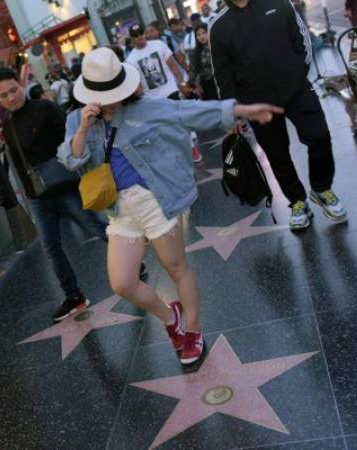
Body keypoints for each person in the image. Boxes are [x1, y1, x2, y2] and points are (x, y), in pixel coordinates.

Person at [58, 48, 281, 364]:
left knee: (176, 268)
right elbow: (70, 159)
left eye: (114, 90)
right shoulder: (76, 120)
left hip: (156, 201)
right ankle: (169, 317)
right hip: (120, 211)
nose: (110, 99)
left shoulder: (147, 108)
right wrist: (82, 128)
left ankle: (193, 329)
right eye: (103, 93)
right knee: (122, 283)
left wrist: (242, 110)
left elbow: (191, 111)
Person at [0, 67, 126, 322]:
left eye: (14, 90)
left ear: (21, 85)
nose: (11, 97)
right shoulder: (6, 125)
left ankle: (132, 261)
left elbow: (73, 140)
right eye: (4, 95)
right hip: (38, 197)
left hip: (65, 188)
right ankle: (73, 296)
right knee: (51, 248)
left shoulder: (45, 108)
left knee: (96, 228)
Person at [210, 0, 347, 230]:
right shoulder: (218, 25)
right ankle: (297, 202)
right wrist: (233, 112)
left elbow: (302, 39)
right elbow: (222, 75)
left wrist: (296, 74)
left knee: (319, 135)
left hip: (297, 89)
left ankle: (322, 189)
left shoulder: (279, 2)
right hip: (257, 103)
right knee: (277, 155)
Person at [126, 24, 202, 163]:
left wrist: (182, 83)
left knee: (178, 122)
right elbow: (137, 85)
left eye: (141, 33)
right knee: (165, 129)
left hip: (170, 90)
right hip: (152, 98)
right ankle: (179, 151)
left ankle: (191, 149)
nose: (139, 37)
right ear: (132, 39)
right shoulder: (130, 60)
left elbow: (172, 64)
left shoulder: (159, 45)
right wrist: (140, 100)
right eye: (135, 36)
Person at [189, 23, 218, 100]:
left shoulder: (217, 46)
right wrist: (196, 85)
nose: (201, 36)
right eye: (198, 35)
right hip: (207, 85)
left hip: (222, 81)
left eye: (204, 33)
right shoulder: (194, 52)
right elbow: (193, 71)